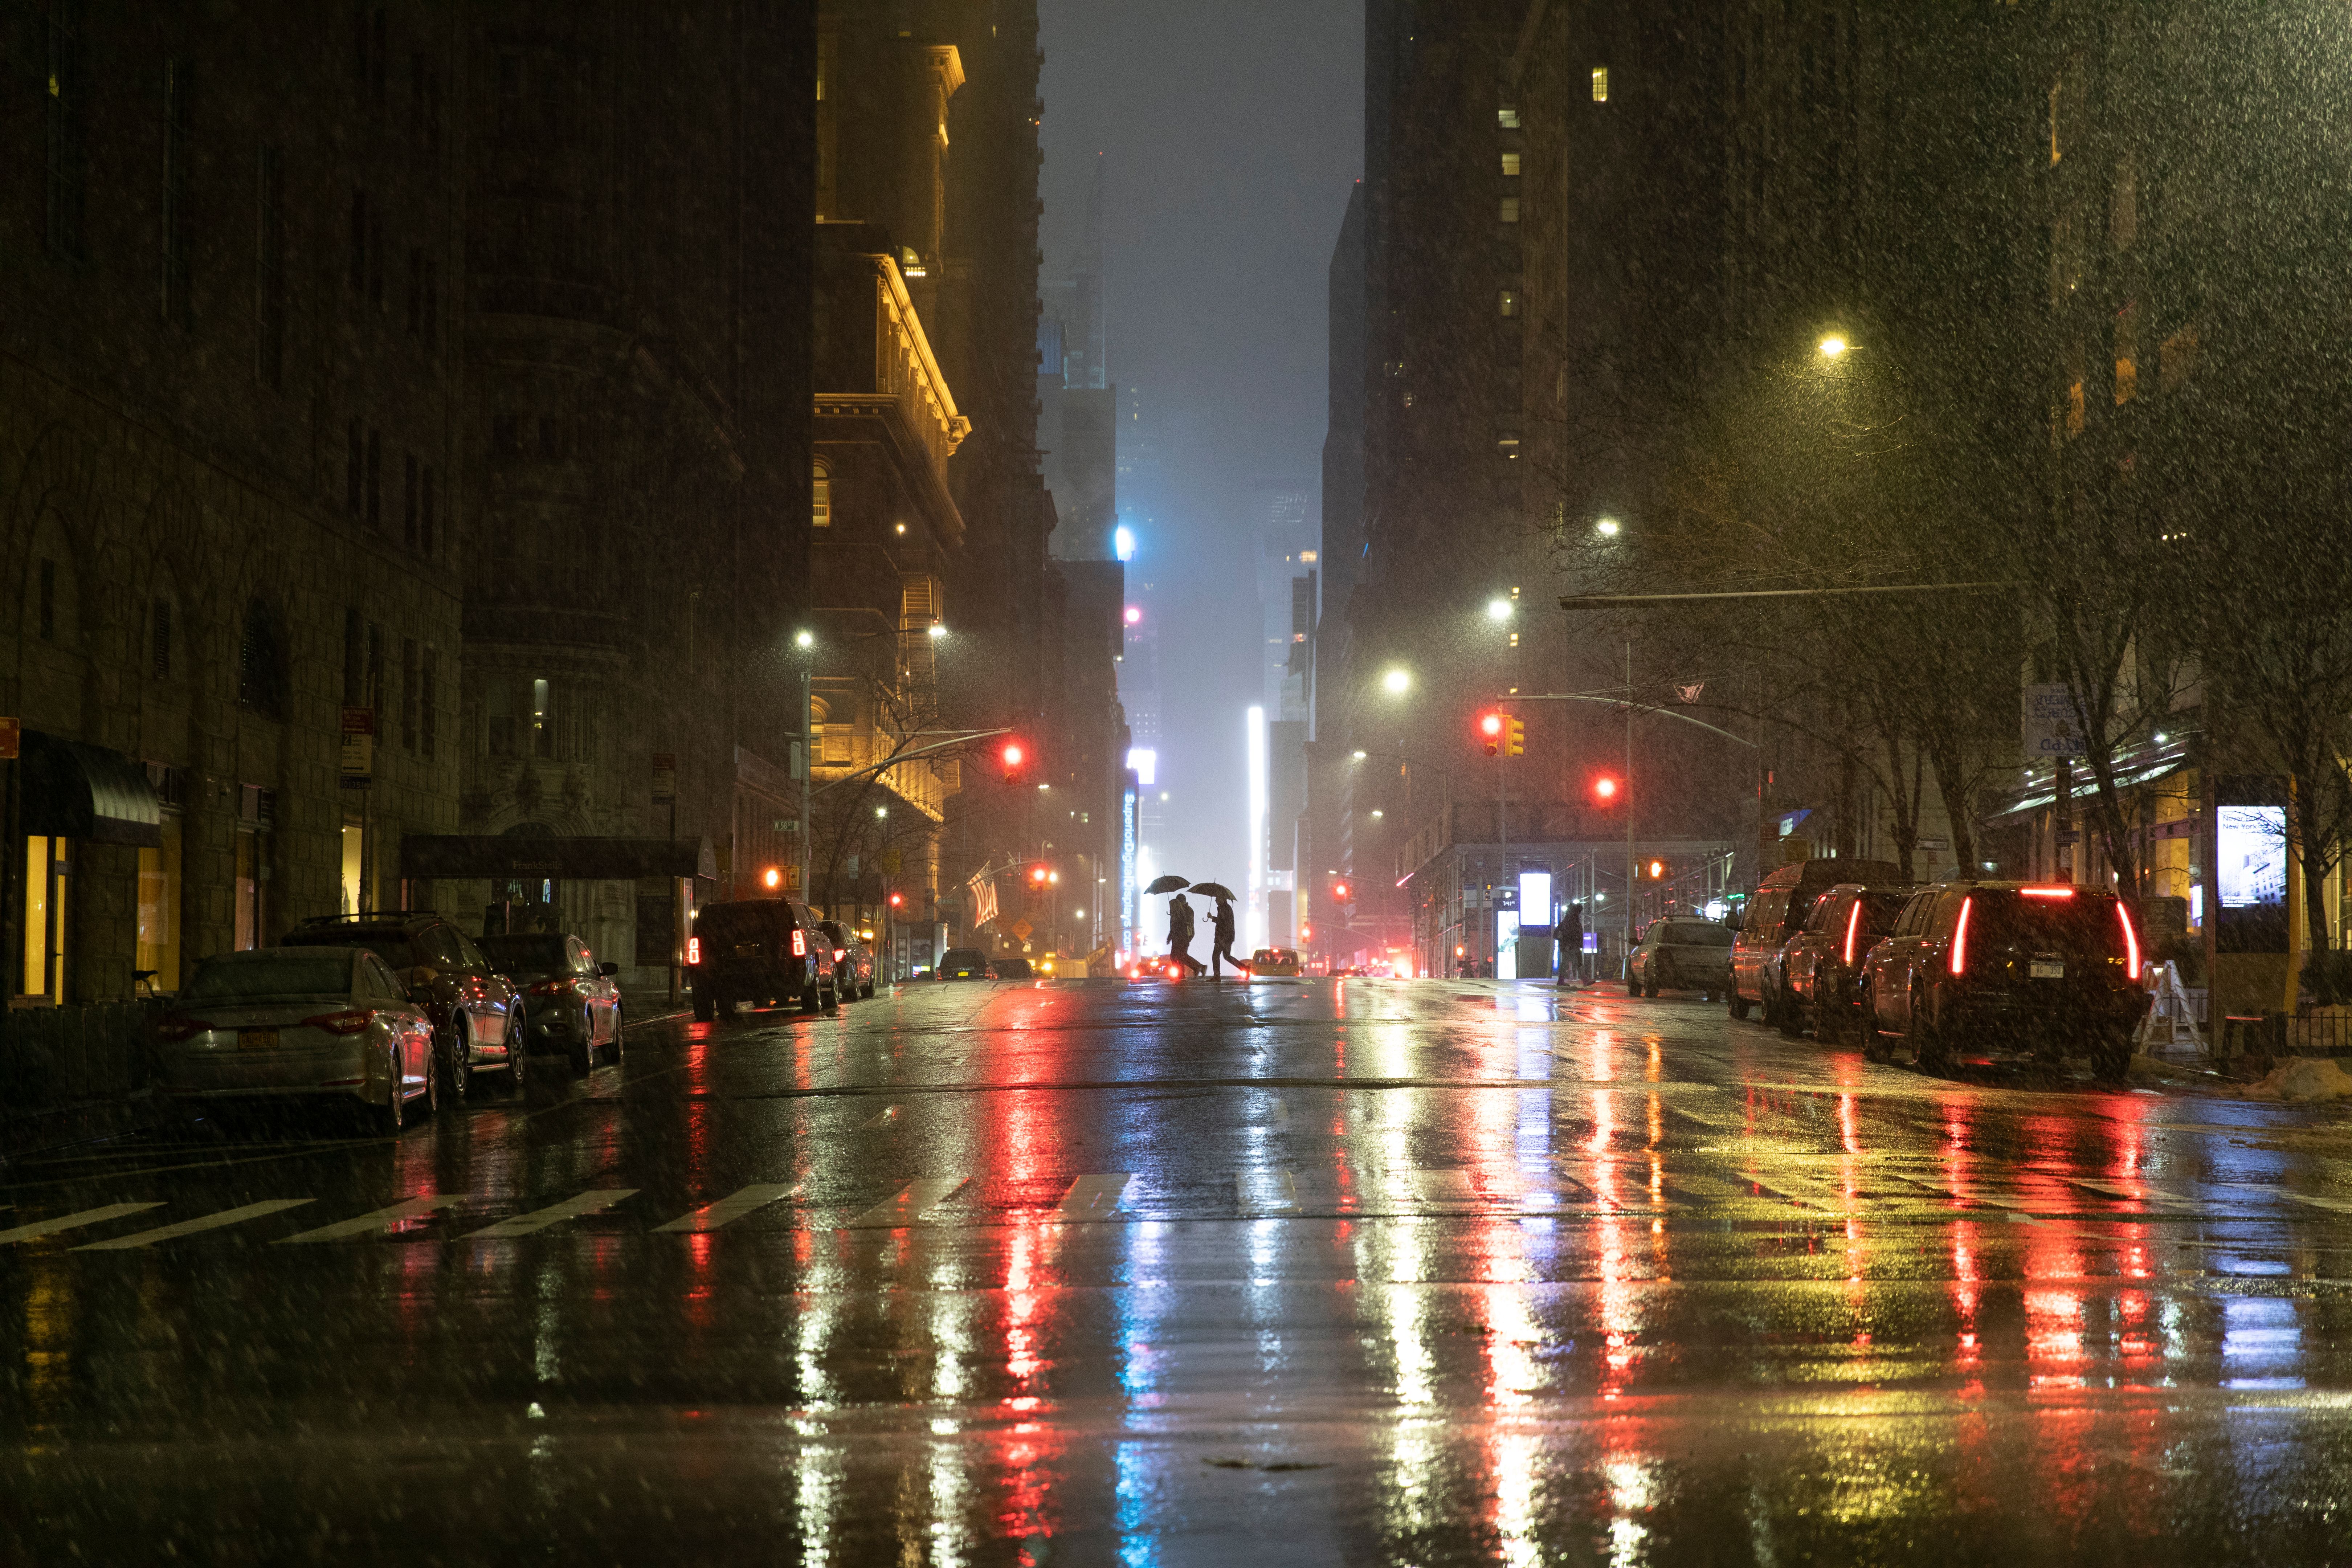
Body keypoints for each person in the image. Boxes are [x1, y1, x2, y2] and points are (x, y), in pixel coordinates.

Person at [1168, 893, 1205, 977]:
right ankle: (1194, 969)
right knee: (1178, 956)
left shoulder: (1186, 911)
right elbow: (1174, 926)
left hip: (1184, 936)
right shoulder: (1177, 911)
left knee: (1180, 956)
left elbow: (1184, 924)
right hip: (1178, 936)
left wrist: (1176, 914)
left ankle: (1197, 968)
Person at [1210, 895, 1242, 979]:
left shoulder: (1224, 909)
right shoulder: (1225, 908)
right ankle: (1245, 968)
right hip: (1227, 936)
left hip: (1223, 937)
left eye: (1217, 899)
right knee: (1227, 956)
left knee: (1216, 956)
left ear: (1222, 899)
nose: (1216, 900)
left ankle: (1217, 976)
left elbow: (1222, 922)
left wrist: (1212, 918)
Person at [1559, 901, 1585, 986]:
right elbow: (1571, 934)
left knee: (1567, 962)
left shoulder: (1569, 919)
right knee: (1578, 962)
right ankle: (1585, 980)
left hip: (1569, 945)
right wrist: (1570, 945)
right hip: (1572, 945)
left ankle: (1561, 981)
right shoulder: (1572, 921)